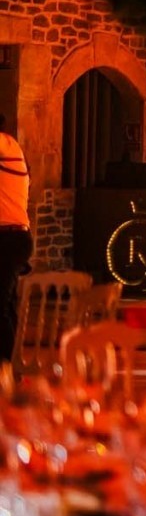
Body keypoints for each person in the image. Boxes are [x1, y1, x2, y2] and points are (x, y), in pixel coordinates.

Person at [0, 114, 32, 361]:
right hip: (11, 238)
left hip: (8, 240)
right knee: (7, 308)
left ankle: (6, 373)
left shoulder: (6, 145)